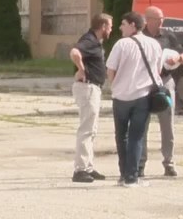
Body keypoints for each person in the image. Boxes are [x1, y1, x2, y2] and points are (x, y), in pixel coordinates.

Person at [106, 11, 164, 187]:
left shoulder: (121, 44)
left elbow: (110, 69)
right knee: (136, 136)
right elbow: (158, 69)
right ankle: (133, 176)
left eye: (123, 24)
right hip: (143, 96)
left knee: (121, 135)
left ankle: (124, 174)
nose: (120, 27)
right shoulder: (154, 44)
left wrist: (115, 85)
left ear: (133, 25)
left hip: (121, 96)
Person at [139, 5, 183, 178]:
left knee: (167, 123)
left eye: (162, 18)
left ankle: (169, 162)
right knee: (142, 124)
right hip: (144, 83)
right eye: (158, 18)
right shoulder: (139, 36)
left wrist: (178, 58)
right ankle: (140, 163)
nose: (162, 21)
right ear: (148, 20)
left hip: (165, 81)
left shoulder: (168, 36)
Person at [69, 13, 112, 183]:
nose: (111, 29)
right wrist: (80, 69)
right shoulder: (89, 40)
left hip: (93, 88)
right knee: (86, 129)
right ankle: (80, 170)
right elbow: (74, 52)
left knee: (91, 130)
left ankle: (88, 166)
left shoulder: (95, 42)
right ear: (102, 26)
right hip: (87, 87)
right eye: (109, 26)